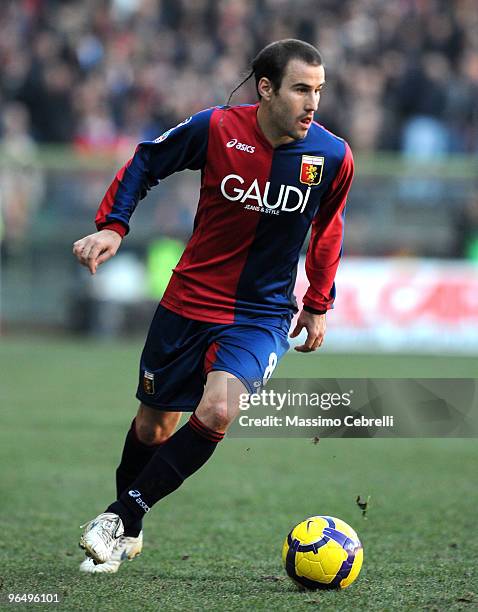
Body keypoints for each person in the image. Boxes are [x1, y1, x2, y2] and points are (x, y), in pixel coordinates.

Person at [73, 39, 354, 573]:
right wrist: (113, 226)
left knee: (220, 408)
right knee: (154, 428)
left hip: (261, 314)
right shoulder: (216, 128)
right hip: (188, 302)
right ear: (266, 88)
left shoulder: (332, 156)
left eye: (318, 90)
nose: (312, 103)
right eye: (301, 89)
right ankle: (129, 529)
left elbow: (328, 227)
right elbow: (147, 161)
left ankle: (119, 518)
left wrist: (318, 302)